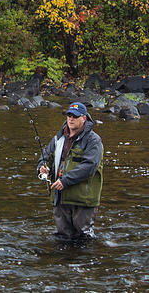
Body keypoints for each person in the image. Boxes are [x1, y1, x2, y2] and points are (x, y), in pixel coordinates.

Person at [36, 102, 103, 241]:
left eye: (75, 116)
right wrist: (42, 167)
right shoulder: (58, 138)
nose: (71, 119)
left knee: (83, 238)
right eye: (69, 115)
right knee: (62, 238)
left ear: (84, 118)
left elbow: (89, 166)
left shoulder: (93, 140)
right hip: (60, 198)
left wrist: (65, 181)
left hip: (83, 200)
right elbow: (45, 156)